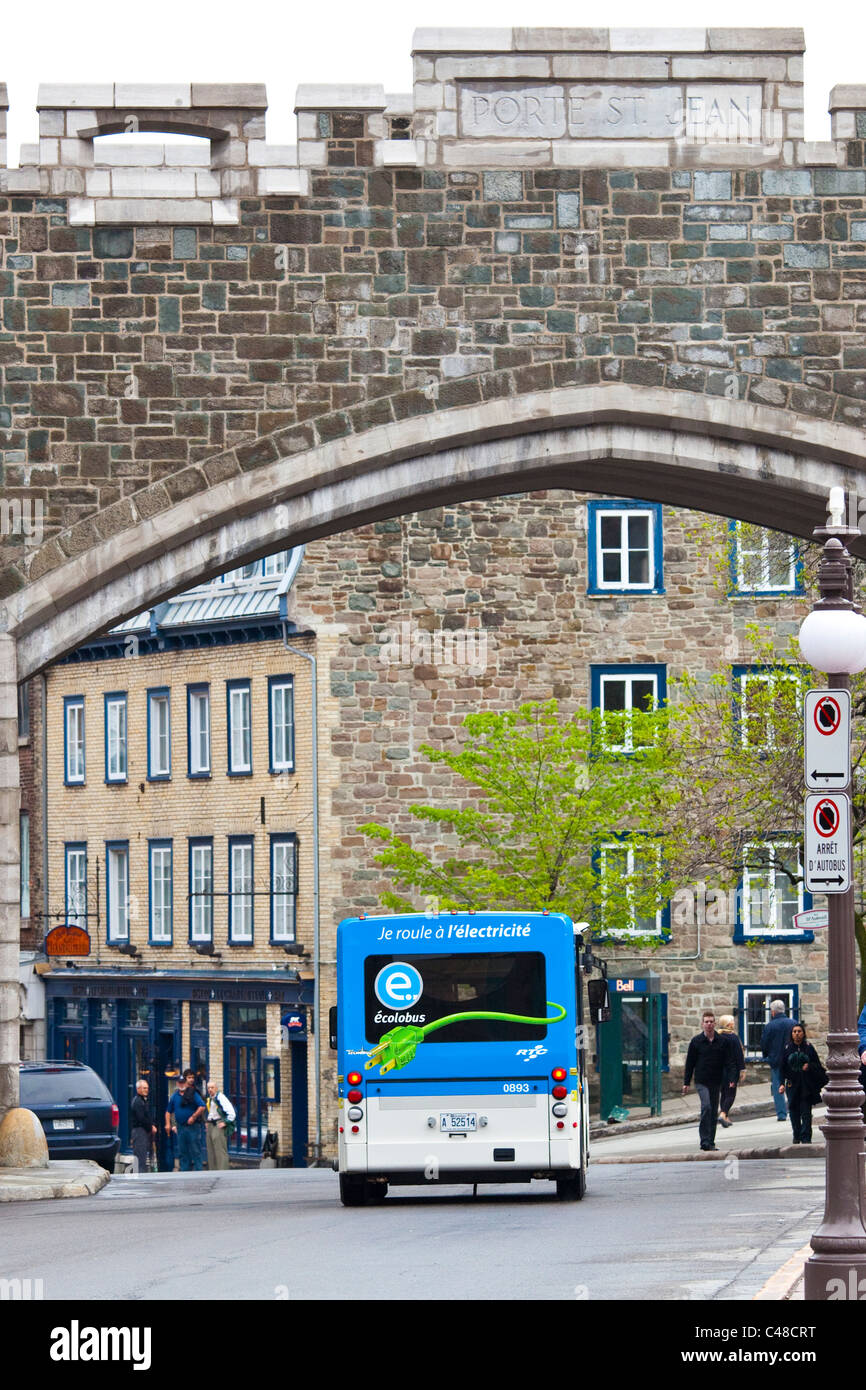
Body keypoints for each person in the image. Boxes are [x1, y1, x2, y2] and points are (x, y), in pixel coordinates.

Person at [682, 1009, 737, 1152]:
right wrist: (686, 1082)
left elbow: (730, 1062)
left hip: (716, 1080)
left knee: (713, 1111)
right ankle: (704, 1140)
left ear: (715, 1023)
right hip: (701, 1080)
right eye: (706, 1022)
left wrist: (732, 1078)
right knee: (706, 1107)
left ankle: (710, 1142)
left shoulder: (722, 1041)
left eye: (711, 1022)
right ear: (702, 1024)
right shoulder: (696, 1041)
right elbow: (690, 1063)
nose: (709, 1024)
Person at [779, 1023, 827, 1144]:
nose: (797, 1034)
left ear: (803, 1033)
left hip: (806, 1085)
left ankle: (806, 1137)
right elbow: (782, 1067)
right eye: (794, 1031)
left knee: (806, 1112)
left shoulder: (808, 1047)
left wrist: (809, 1066)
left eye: (799, 1031)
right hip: (792, 1085)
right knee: (794, 1111)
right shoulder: (787, 1048)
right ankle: (797, 1135)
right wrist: (781, 1084)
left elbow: (818, 1065)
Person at [761, 999, 795, 1122]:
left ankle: (781, 1114)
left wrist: (766, 1056)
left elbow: (764, 1043)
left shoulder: (770, 1026)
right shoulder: (793, 1024)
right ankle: (794, 1109)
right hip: (791, 1060)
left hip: (776, 1060)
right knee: (793, 1085)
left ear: (773, 1012)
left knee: (778, 1087)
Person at [166, 1069, 206, 1171]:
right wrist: (168, 1124)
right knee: (182, 1151)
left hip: (193, 1127)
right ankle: (184, 1172)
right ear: (177, 1084)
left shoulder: (193, 1093)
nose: (181, 1084)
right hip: (180, 1127)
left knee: (195, 1150)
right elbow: (168, 1111)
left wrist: (193, 1117)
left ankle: (199, 1172)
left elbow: (202, 1106)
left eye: (183, 1082)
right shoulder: (174, 1096)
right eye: (180, 1083)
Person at [717, 1016, 746, 1128]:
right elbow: (739, 1055)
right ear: (728, 1025)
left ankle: (726, 1117)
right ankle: (723, 1113)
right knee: (731, 1094)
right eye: (732, 1022)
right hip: (731, 1070)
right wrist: (742, 1070)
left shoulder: (718, 1037)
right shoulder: (733, 1037)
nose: (734, 1023)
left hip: (720, 1070)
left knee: (724, 1093)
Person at [205, 1080, 236, 1171]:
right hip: (211, 1124)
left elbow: (232, 1113)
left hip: (218, 1124)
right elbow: (211, 1112)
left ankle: (222, 1171)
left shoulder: (221, 1098)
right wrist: (207, 1121)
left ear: (216, 1088)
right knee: (211, 1151)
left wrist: (225, 1122)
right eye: (208, 1088)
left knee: (220, 1150)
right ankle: (213, 1171)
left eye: (212, 1087)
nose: (210, 1089)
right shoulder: (210, 1098)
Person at [130, 1078, 157, 1175]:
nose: (146, 1090)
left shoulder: (142, 1101)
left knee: (143, 1155)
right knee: (140, 1156)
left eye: (147, 1088)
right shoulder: (138, 1102)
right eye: (144, 1088)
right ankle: (139, 1176)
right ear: (138, 1089)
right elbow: (141, 1118)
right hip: (139, 1132)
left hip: (143, 1131)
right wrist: (151, 1127)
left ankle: (140, 1174)